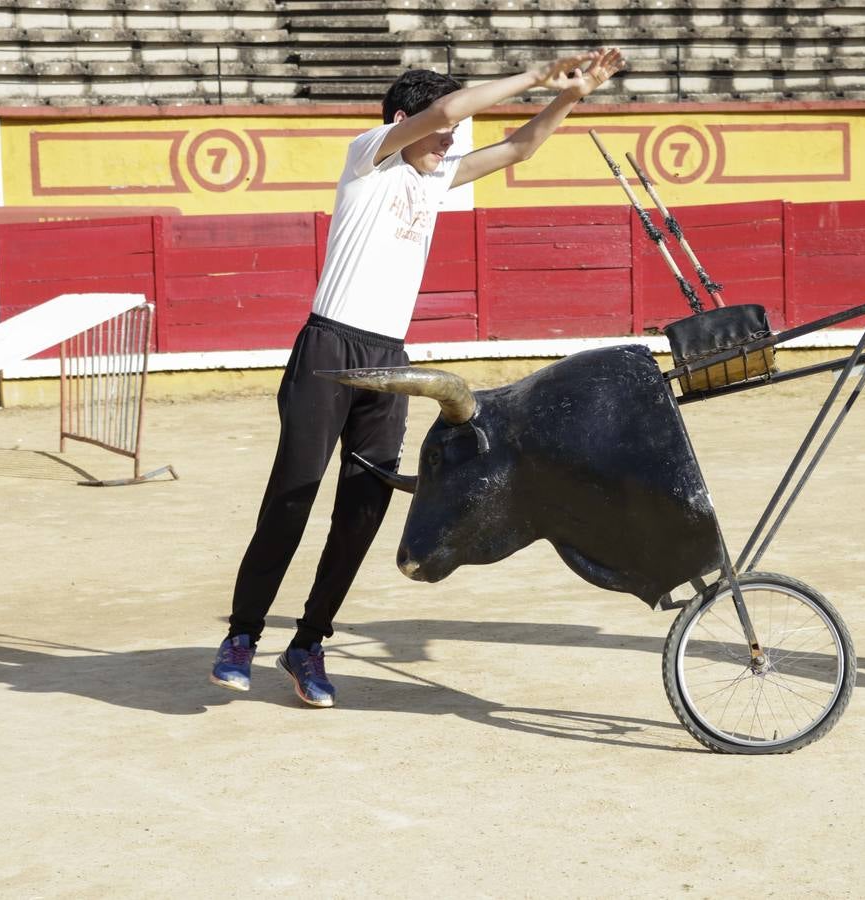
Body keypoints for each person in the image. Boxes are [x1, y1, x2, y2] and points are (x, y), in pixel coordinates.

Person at [209, 49, 626, 707]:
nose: (449, 142)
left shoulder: (435, 178)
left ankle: (309, 642)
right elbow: (444, 111)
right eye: (439, 134)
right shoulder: (369, 156)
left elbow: (521, 146)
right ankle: (241, 635)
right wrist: (535, 74)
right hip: (328, 348)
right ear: (402, 120)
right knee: (293, 495)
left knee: (363, 509)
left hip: (389, 362)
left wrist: (572, 94)